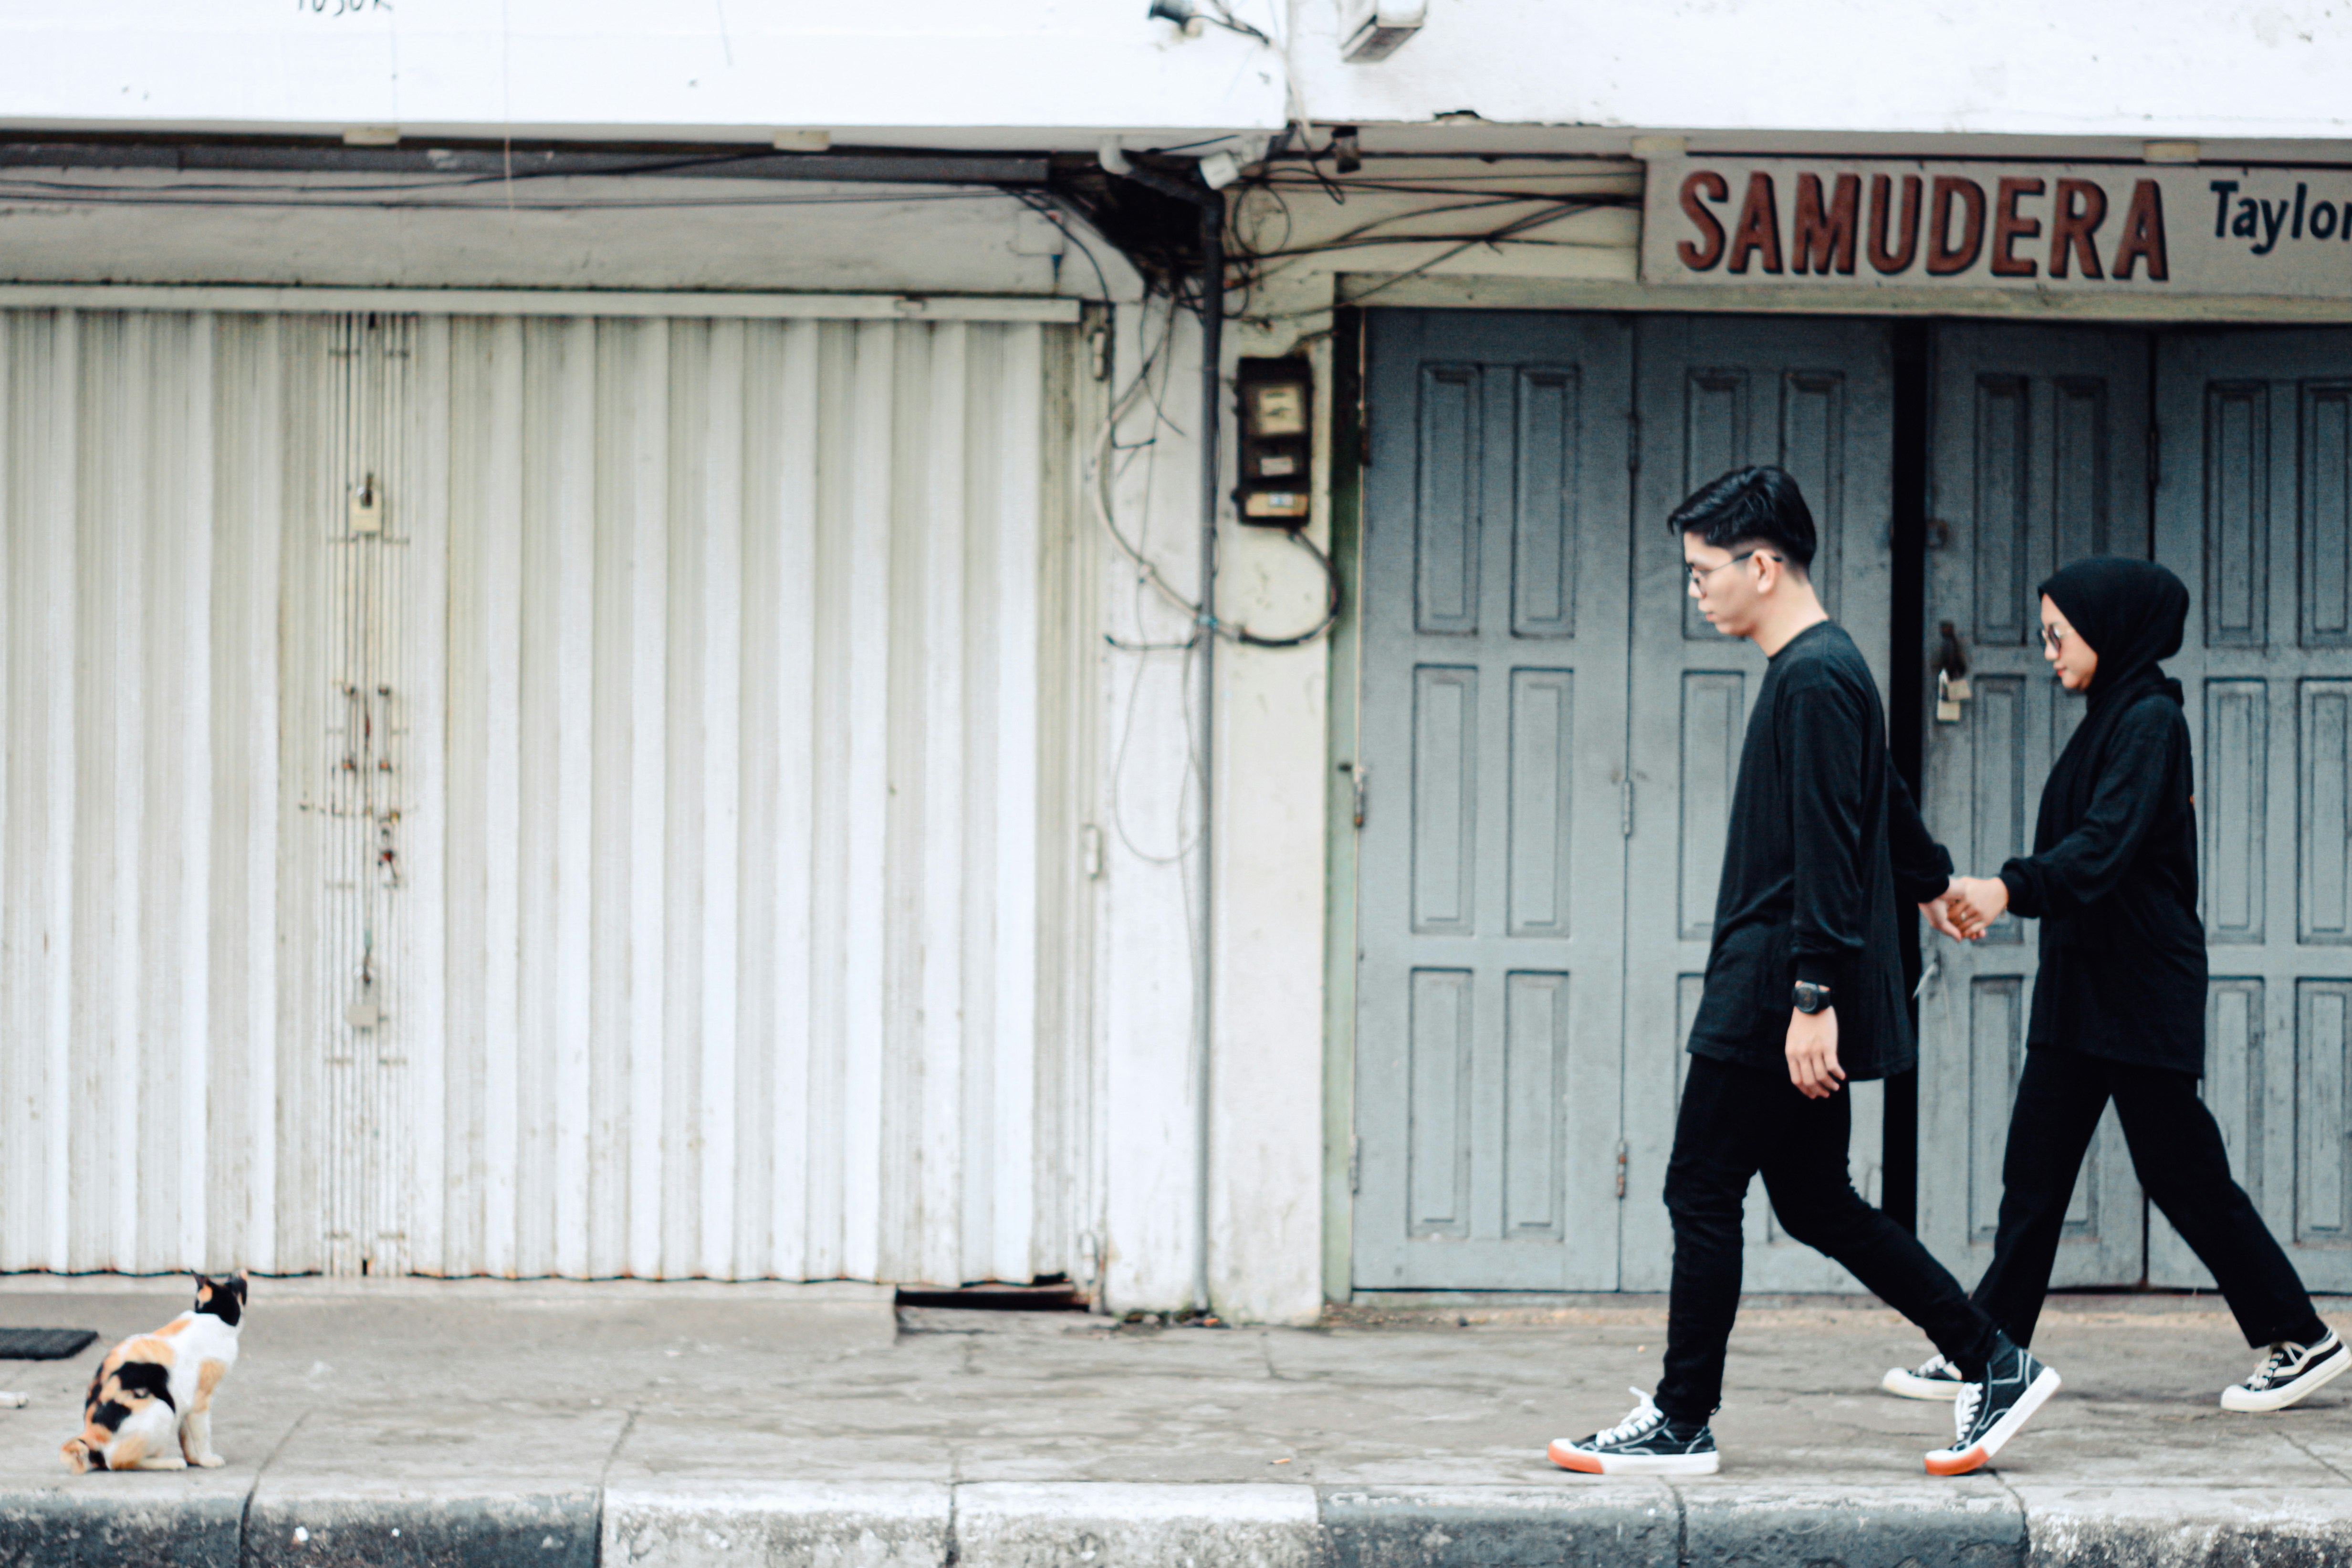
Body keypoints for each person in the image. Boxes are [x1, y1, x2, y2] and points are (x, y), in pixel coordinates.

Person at [1549, 467, 2060, 1478]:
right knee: (1815, 1200)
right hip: (1782, 972)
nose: (1694, 589)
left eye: (1703, 571)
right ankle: (1991, 1359)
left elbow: (1831, 836)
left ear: (1764, 564)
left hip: (1773, 979)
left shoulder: (1816, 674)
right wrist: (1928, 882)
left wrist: (1810, 996)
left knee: (1698, 1185)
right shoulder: (1820, 669)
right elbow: (1881, 794)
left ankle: (1681, 1417)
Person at [1883, 557, 2346, 1413]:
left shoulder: (2147, 723)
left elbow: (2100, 850)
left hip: (2136, 990)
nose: (2048, 650)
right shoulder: (2107, 719)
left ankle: (2302, 1336)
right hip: (2083, 986)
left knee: (2183, 1174)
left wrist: (2005, 888)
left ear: (2111, 628)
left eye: (2060, 634)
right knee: (2034, 1174)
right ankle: (1988, 1346)